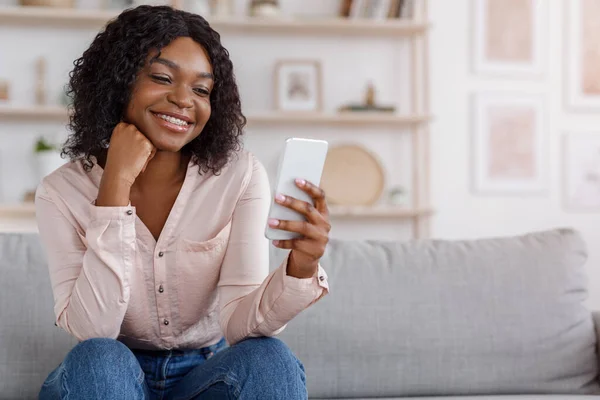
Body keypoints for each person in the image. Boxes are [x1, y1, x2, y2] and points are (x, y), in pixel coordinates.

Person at [35, 5, 330, 399]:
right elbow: (93, 330)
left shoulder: (238, 176)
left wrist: (302, 266)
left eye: (201, 89)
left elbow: (240, 325)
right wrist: (115, 185)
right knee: (100, 358)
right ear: (118, 82)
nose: (183, 100)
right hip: (107, 379)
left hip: (205, 374)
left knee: (268, 358)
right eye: (162, 78)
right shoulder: (60, 192)